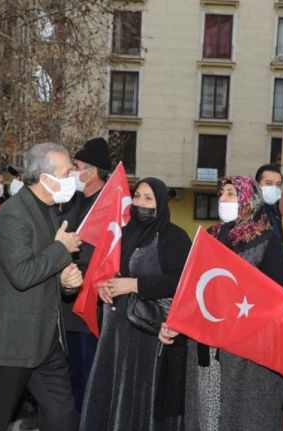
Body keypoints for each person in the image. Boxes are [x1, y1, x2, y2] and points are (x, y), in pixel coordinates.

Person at [159, 176, 283, 430]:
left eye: (231, 193)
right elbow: (193, 290)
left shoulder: (265, 241)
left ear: (247, 199)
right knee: (205, 414)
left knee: (241, 416)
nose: (223, 199)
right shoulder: (209, 239)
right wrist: (177, 322)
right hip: (206, 345)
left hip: (245, 355)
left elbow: (276, 298)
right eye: (221, 193)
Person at [0, 143, 83, 431]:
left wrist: (65, 283)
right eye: (68, 172)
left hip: (46, 339)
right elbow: (22, 274)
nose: (74, 177)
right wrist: (61, 248)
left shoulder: (49, 211)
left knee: (62, 415)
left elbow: (43, 270)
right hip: (11, 340)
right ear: (46, 179)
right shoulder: (12, 215)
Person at [81, 177, 192, 431]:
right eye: (137, 196)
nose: (140, 202)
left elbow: (181, 282)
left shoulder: (173, 237)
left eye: (148, 198)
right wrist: (104, 286)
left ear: (160, 204)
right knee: (113, 391)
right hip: (116, 333)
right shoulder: (121, 233)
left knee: (143, 396)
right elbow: (106, 269)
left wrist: (135, 285)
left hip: (149, 332)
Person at [59, 137, 111, 419]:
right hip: (63, 301)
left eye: (76, 167)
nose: (73, 174)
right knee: (66, 373)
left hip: (89, 305)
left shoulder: (110, 204)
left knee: (86, 372)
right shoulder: (73, 200)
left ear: (91, 171)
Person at [255, 164, 283, 243]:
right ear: (257, 185)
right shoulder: (248, 214)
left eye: (278, 184)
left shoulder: (275, 212)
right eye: (269, 183)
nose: (274, 188)